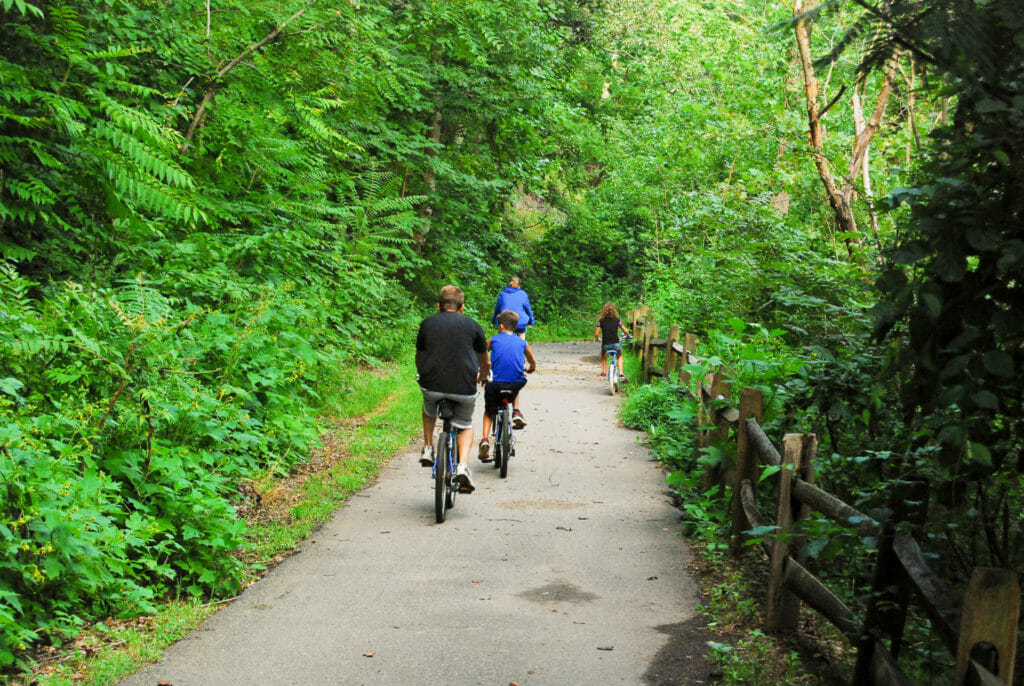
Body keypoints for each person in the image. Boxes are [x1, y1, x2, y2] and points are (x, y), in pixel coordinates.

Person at [416, 285, 490, 493]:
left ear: (438, 306)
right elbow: (485, 360)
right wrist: (483, 375)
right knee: (465, 425)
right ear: (462, 307)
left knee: (429, 409)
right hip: (463, 386)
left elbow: (420, 355)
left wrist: (422, 374)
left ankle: (429, 448)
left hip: (432, 384)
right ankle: (463, 467)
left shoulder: (427, 323)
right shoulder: (472, 325)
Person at [478, 310, 537, 462]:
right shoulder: (522, 342)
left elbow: (482, 354)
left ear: (502, 325)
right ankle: (516, 411)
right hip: (514, 383)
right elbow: (532, 361)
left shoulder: (494, 340)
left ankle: (484, 440)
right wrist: (531, 368)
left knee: (489, 411)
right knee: (516, 380)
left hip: (495, 384)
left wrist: (481, 372)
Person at [594, 302, 631, 381]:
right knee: (619, 355)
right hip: (616, 344)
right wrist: (627, 336)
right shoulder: (617, 320)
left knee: (603, 356)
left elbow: (596, 334)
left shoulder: (601, 321)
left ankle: (604, 371)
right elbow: (626, 331)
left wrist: (597, 339)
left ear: (604, 311)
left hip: (606, 345)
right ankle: (621, 372)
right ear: (614, 311)